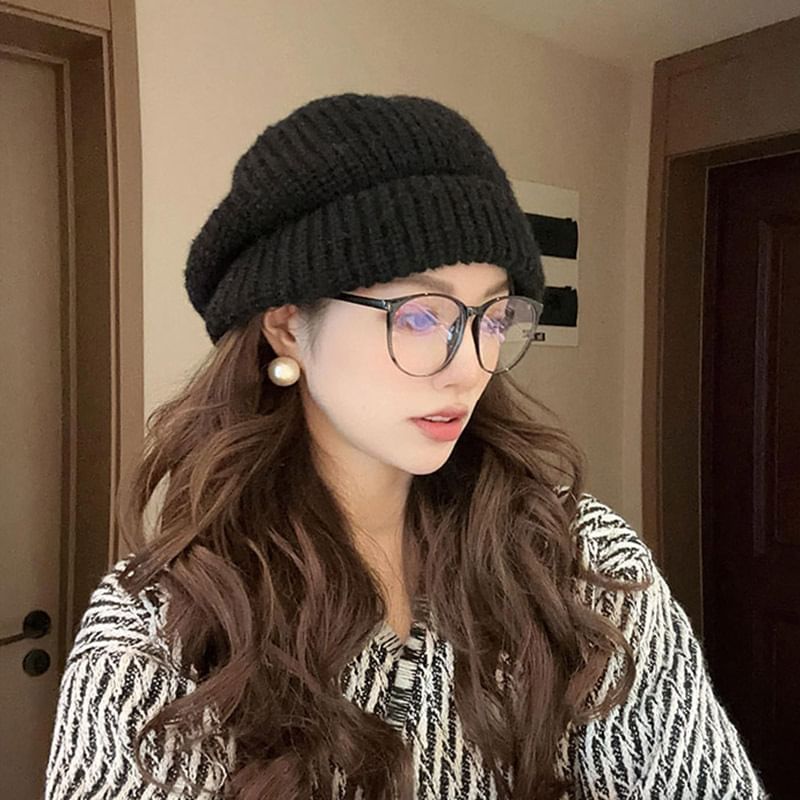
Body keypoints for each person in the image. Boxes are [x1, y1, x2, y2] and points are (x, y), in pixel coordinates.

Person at [43, 92, 768, 800]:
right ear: (288, 327)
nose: (471, 367)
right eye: (421, 316)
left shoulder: (575, 558)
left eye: (492, 318)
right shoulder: (164, 628)